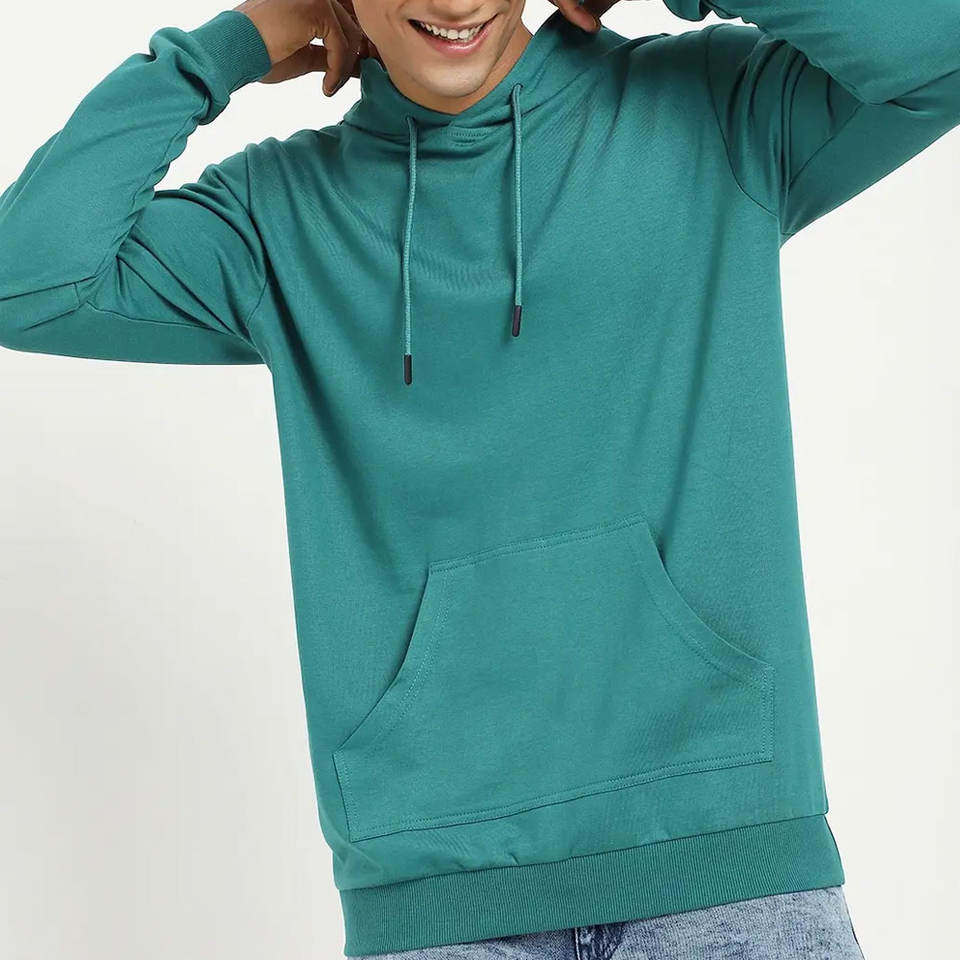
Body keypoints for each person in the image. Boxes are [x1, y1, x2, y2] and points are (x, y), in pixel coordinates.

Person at [2, 0, 956, 955]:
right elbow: (25, 281)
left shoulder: (711, 112)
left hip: (733, 873)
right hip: (440, 905)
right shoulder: (275, 220)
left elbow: (940, 52)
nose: (457, 2)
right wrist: (237, 42)